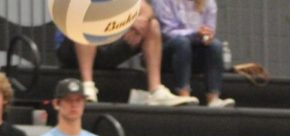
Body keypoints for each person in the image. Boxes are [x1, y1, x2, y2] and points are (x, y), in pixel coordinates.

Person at [54, 1, 189, 107]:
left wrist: (141, 21)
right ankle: (87, 86)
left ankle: (155, 91)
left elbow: (146, 9)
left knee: (152, 25)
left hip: (106, 45)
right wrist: (127, 21)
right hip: (72, 49)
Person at [153, 0, 236, 107]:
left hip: (192, 51)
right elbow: (167, 31)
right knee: (182, 43)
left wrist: (207, 36)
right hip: (166, 53)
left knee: (215, 45)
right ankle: (184, 94)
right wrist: (194, 33)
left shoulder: (208, 2)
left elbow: (210, 29)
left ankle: (213, 98)